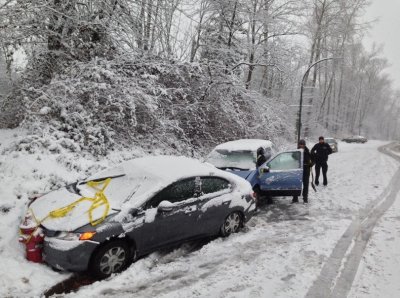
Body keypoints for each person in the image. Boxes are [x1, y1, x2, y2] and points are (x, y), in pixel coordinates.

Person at [292, 139, 313, 204]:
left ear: (304, 145)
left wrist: (311, 164)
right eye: (300, 144)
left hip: (306, 170)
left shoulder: (307, 152)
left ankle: (305, 199)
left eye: (302, 144)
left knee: (305, 185)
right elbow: (292, 158)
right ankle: (295, 198)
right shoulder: (296, 151)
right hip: (298, 171)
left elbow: (312, 160)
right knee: (296, 184)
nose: (301, 146)